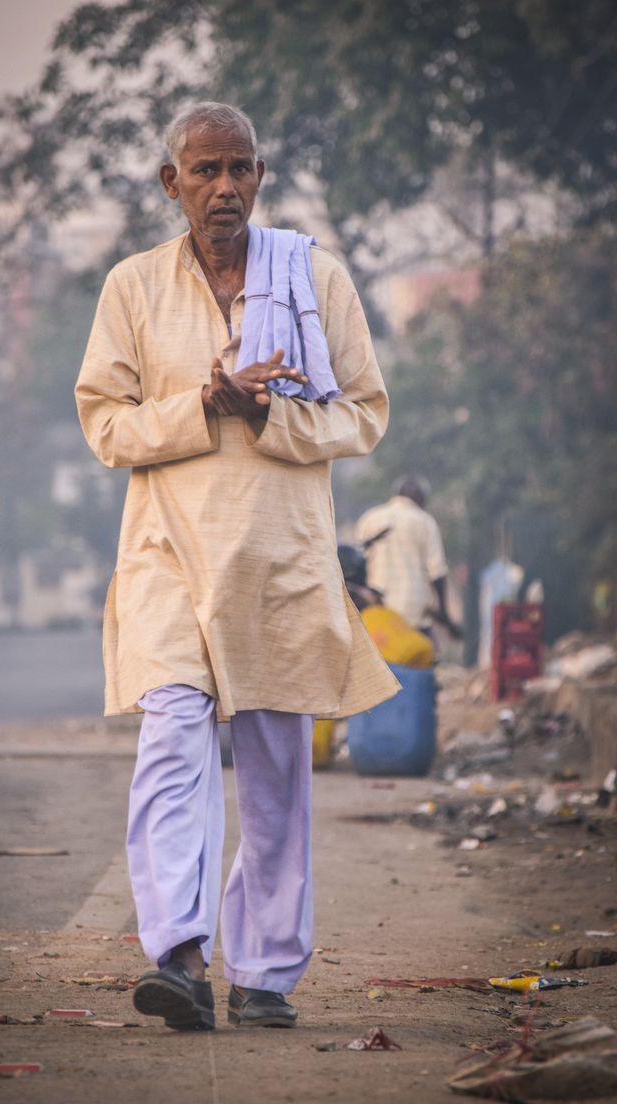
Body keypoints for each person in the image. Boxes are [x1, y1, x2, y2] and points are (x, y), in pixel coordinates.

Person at [75, 101, 399, 1032]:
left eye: (241, 169)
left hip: (279, 557)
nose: (225, 187)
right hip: (169, 555)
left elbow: (364, 413)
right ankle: (177, 953)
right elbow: (105, 424)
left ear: (260, 176)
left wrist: (271, 419)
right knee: (172, 742)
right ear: (170, 183)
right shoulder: (131, 288)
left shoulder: (315, 276)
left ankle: (264, 973)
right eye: (206, 170)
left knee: (273, 772)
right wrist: (203, 406)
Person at [355, 474, 460, 638]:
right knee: (420, 655)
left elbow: (359, 561)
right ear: (420, 498)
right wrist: (444, 614)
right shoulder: (425, 522)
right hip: (413, 614)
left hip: (377, 610)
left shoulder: (371, 518)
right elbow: (437, 572)